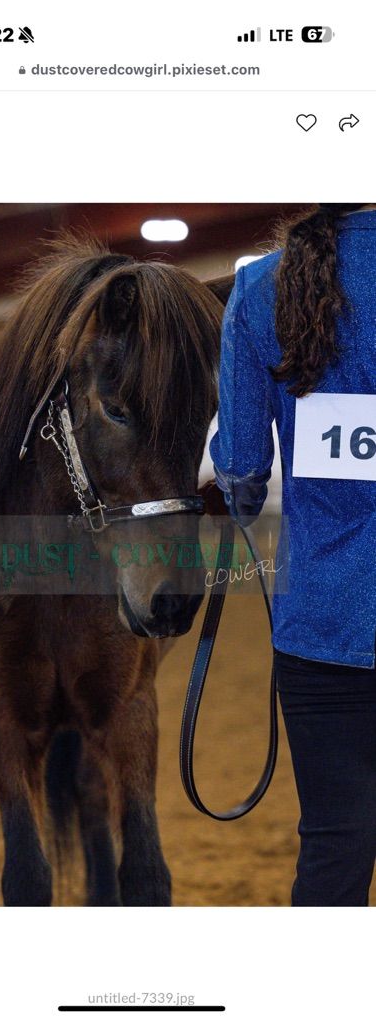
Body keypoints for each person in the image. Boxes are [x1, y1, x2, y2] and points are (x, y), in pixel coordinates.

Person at [210, 204, 376, 906]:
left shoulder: (260, 289)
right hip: (324, 625)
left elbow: (243, 468)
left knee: (334, 845)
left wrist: (233, 486)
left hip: (323, 619)